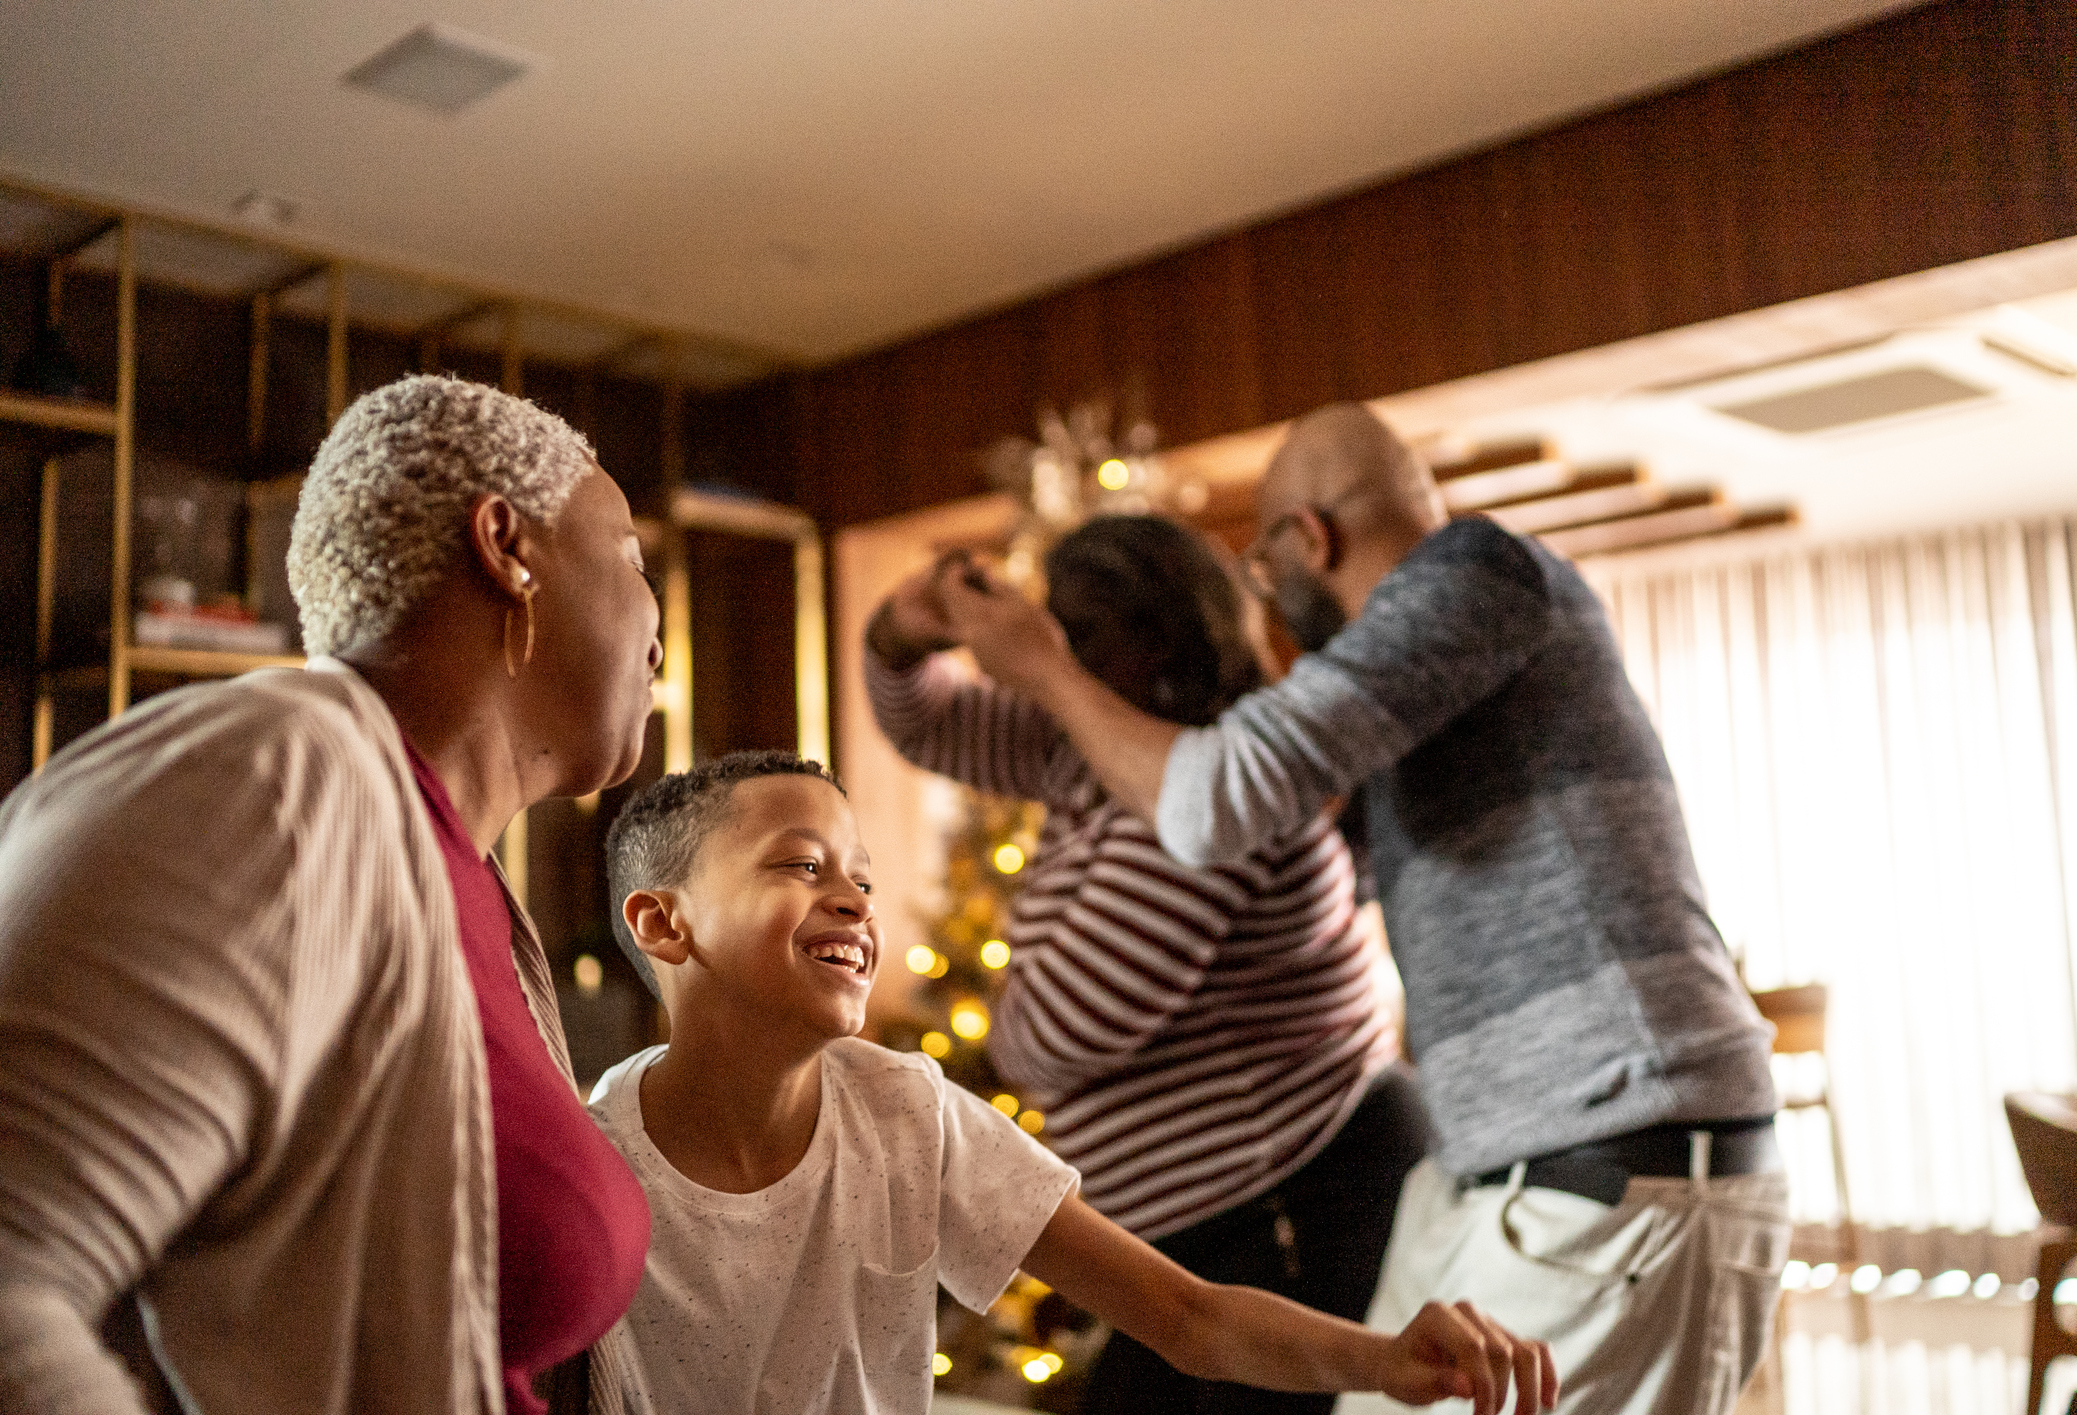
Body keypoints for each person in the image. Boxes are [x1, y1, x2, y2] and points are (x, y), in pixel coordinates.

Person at [929, 403, 1791, 1415]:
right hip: (1529, 1171)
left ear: (1310, 537)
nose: (1270, 597)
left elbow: (1210, 804)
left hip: (1612, 1154)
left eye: (1264, 563)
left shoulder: (1477, 572)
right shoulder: (1418, 688)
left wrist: (1043, 667)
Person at [0, 375, 663, 1415]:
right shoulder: (272, 776)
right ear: (508, 544)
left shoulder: (471, 883)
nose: (658, 630)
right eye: (631, 556)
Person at [590, 750, 1557, 1415]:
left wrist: (1385, 1358)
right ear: (664, 925)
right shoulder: (589, 1159)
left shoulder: (908, 1113)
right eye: (802, 864)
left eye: (864, 877)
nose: (851, 897)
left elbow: (1189, 1316)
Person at [863, 515, 1424, 1415]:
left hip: (1275, 1216)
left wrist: (1042, 668)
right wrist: (910, 619)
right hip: (1206, 1241)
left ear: (1153, 642)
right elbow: (922, 717)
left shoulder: (1205, 792)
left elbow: (1053, 1039)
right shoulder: (1093, 750)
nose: (1052, 649)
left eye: (1077, 630)